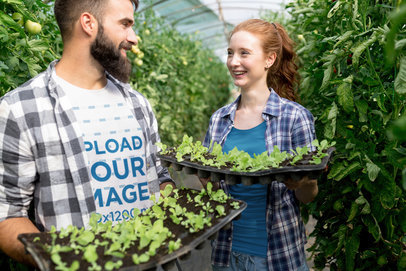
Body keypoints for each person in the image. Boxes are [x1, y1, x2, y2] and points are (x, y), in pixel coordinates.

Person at [0, 0, 174, 266]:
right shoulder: (20, 109)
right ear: (88, 23)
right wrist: (61, 260)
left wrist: (178, 210)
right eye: (125, 24)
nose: (134, 38)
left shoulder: (138, 104)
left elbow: (160, 177)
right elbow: (7, 214)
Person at [203, 19, 317, 271]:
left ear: (269, 59)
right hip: (226, 253)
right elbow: (213, 191)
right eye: (230, 53)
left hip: (278, 256)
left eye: (245, 53)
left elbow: (308, 196)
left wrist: (305, 182)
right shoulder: (218, 120)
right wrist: (207, 180)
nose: (234, 62)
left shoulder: (295, 118)